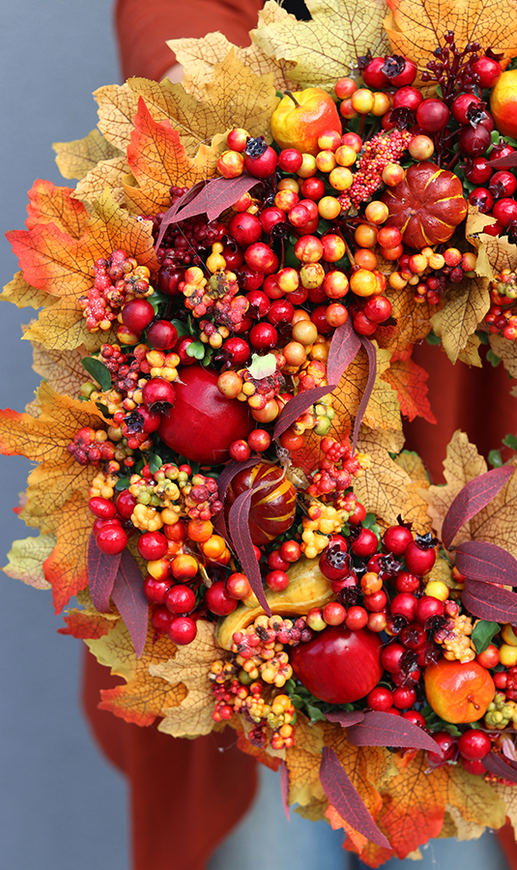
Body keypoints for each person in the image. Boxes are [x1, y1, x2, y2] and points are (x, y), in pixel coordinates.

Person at [81, 1, 517, 867]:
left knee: (454, 799)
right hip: (274, 307)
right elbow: (175, 32)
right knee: (274, 793)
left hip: (474, 325)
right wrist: (235, 132)